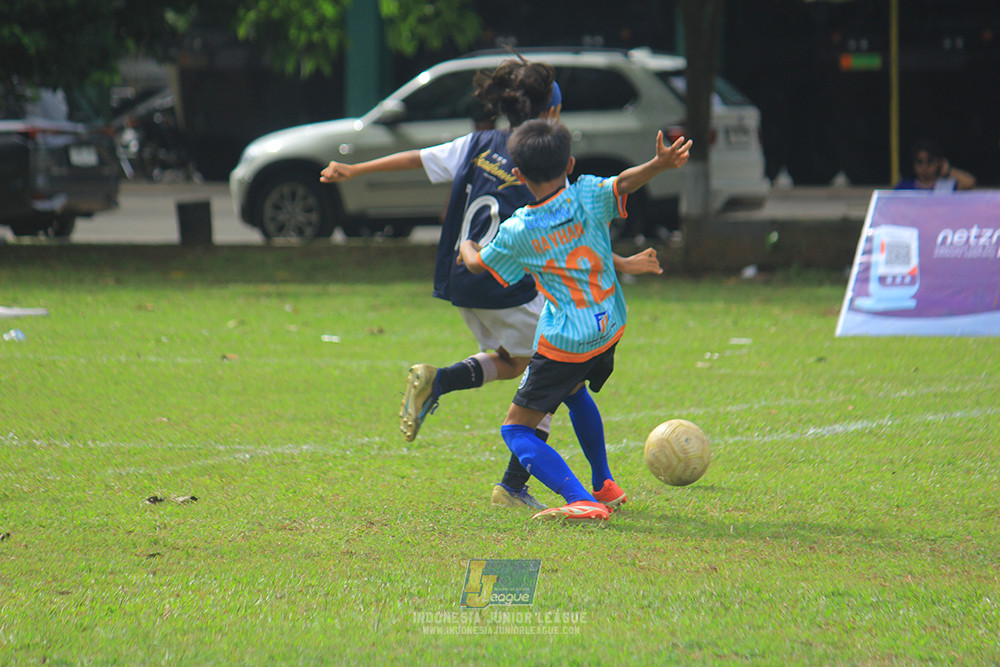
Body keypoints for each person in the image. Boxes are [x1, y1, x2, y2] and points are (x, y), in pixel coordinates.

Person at [320, 57, 663, 512]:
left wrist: (356, 170)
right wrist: (623, 262)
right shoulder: (546, 172)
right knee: (560, 385)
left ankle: (439, 381)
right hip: (507, 286)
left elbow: (418, 159)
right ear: (555, 115)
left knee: (521, 363)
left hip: (461, 283)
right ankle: (559, 489)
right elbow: (571, 246)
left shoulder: (480, 143)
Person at [458, 120, 692, 523]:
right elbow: (623, 183)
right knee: (575, 391)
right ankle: (604, 484)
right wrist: (657, 163)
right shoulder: (586, 194)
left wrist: (467, 245)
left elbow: (480, 266)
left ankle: (580, 498)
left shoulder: (519, 230)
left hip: (566, 339)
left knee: (515, 431)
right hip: (609, 326)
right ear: (569, 164)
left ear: (517, 175)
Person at [894, 139, 976, 191]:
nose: (924, 166)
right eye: (920, 161)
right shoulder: (905, 187)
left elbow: (969, 182)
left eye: (929, 161)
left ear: (938, 162)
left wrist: (947, 171)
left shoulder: (945, 186)